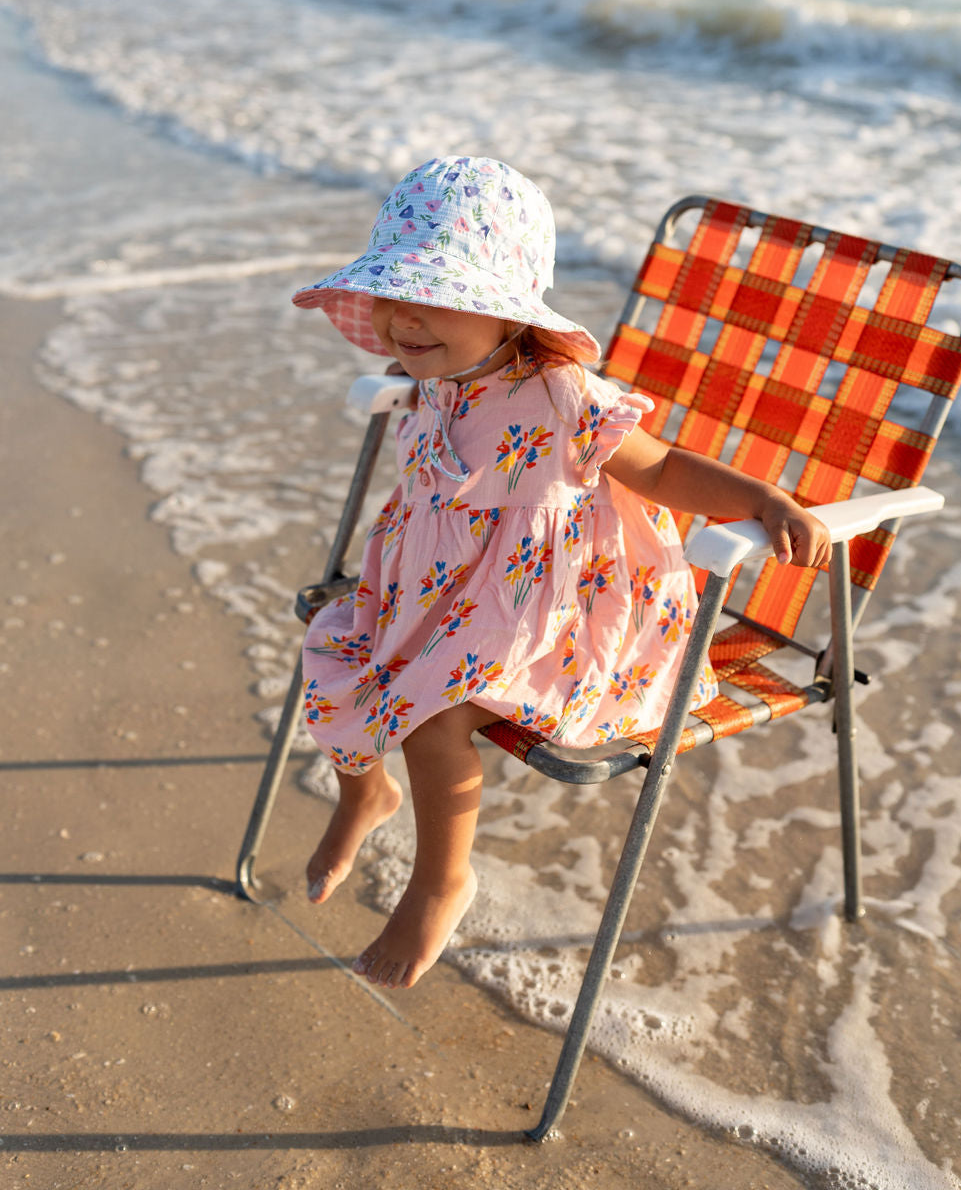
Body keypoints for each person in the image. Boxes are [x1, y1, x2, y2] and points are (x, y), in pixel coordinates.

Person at [291, 156, 830, 990]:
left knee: (432, 719)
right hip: (433, 589)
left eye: (436, 297)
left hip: (541, 612)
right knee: (334, 653)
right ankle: (366, 796)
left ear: (508, 312)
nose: (405, 319)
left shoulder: (563, 395)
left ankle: (441, 882)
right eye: (392, 295)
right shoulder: (438, 375)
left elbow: (662, 470)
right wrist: (418, 369)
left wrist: (764, 499)